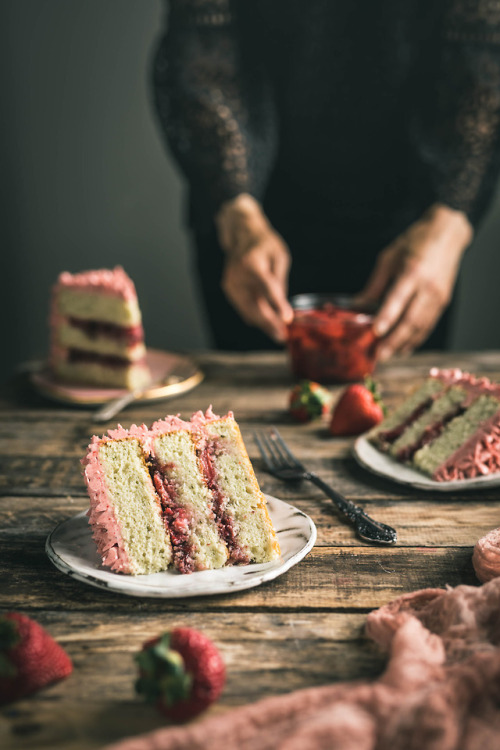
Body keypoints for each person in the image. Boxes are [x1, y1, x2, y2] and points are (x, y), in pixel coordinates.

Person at [151, 0, 500, 359]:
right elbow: (202, 48)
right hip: (252, 221)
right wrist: (237, 210)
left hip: (413, 231)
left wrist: (450, 221)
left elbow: (487, 54)